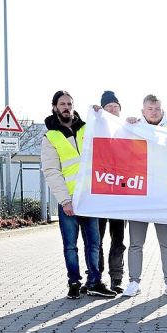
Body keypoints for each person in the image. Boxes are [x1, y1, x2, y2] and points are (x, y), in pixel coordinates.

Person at [40, 90, 116, 299]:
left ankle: (95, 282)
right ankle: (74, 282)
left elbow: (108, 136)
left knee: (94, 243)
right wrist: (64, 200)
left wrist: (103, 115)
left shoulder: (86, 128)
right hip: (69, 200)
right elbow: (52, 171)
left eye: (70, 104)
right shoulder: (50, 137)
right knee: (71, 245)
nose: (66, 107)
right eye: (62, 104)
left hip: (90, 198)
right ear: (55, 107)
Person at [120, 95, 167, 298]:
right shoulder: (133, 127)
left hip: (164, 197)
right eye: (149, 109)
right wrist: (122, 123)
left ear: (161, 109)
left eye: (156, 108)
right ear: (143, 111)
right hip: (139, 196)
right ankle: (133, 282)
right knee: (136, 243)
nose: (153, 112)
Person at [96, 90, 127, 294]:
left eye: (116, 106)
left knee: (118, 240)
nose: (113, 109)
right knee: (95, 240)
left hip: (120, 197)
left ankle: (116, 278)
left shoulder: (127, 129)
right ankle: (96, 277)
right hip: (98, 196)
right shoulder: (94, 128)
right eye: (109, 107)